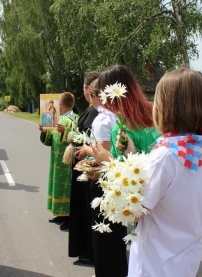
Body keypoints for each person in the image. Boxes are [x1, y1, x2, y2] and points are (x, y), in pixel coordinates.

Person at [127, 68, 202, 277]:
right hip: (186, 256)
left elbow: (137, 211)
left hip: (155, 262)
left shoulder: (164, 156)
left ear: (165, 106)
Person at [91, 64, 161, 277]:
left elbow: (123, 176)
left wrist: (104, 160)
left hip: (144, 202)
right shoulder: (155, 112)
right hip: (166, 193)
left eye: (103, 92)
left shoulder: (120, 129)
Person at [67, 71, 99, 263]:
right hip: (82, 163)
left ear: (87, 89)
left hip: (89, 167)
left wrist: (80, 143)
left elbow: (93, 140)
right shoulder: (90, 110)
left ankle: (89, 250)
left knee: (87, 211)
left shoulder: (97, 113)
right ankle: (84, 248)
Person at [39, 92, 77, 229]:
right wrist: (44, 131)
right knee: (57, 188)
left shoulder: (74, 119)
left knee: (67, 190)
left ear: (61, 105)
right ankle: (60, 214)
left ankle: (69, 217)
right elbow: (49, 140)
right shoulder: (57, 119)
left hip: (66, 163)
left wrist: (65, 131)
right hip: (56, 159)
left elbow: (78, 138)